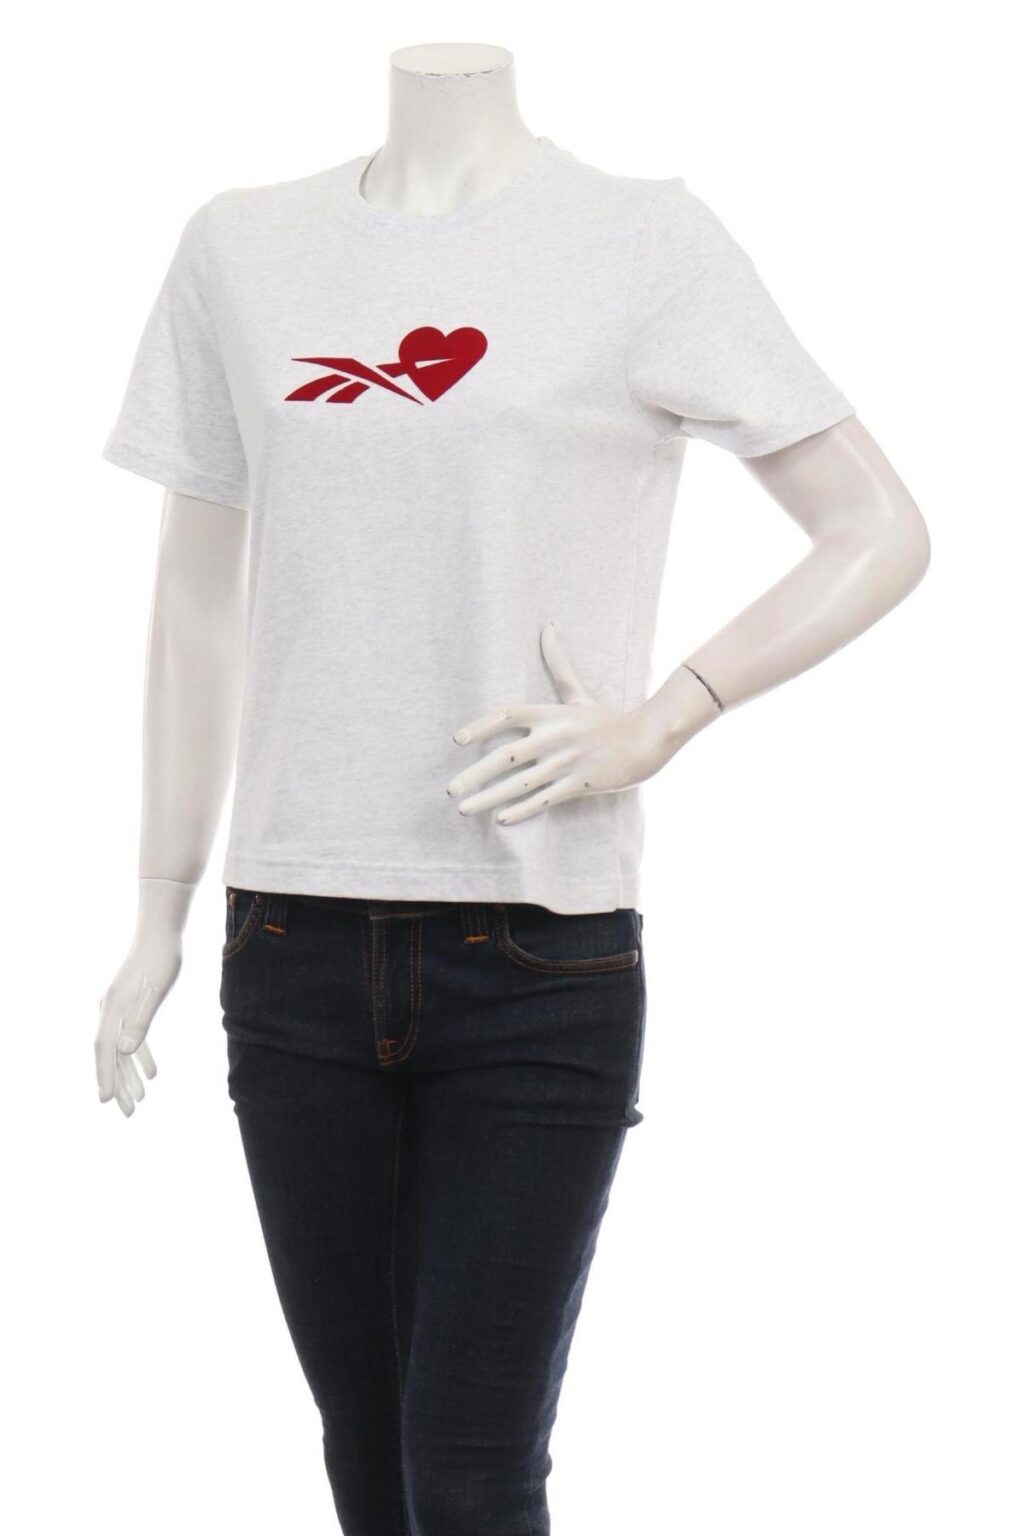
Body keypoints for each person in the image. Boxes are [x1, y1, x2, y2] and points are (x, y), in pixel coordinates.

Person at [94, 40, 930, 1536]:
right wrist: (158, 908)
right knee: (367, 1457)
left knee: (473, 1469)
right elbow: (193, 598)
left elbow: (877, 530)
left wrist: (664, 720)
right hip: (290, 939)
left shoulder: (644, 240)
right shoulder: (241, 246)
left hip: (538, 945)